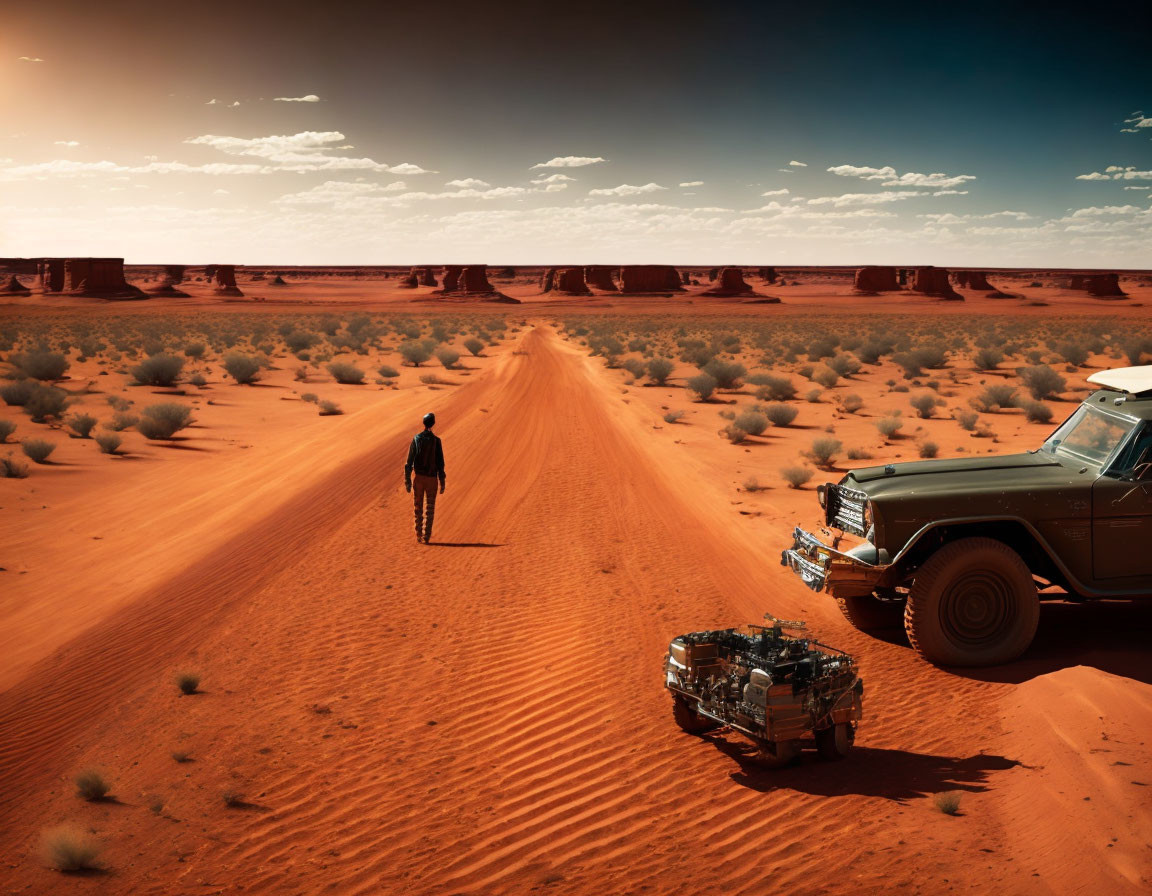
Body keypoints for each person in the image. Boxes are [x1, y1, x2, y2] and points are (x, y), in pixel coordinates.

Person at [404, 412, 446, 544]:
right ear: (433, 423)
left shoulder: (416, 439)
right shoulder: (436, 441)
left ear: (424, 423)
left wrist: (408, 480)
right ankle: (427, 536)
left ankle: (419, 535)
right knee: (430, 508)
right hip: (432, 479)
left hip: (419, 478)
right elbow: (440, 463)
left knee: (418, 507)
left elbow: (409, 462)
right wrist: (442, 480)